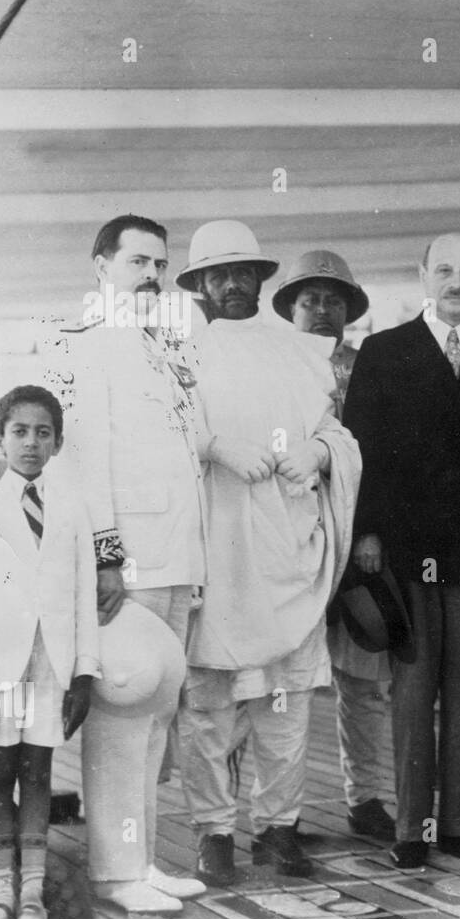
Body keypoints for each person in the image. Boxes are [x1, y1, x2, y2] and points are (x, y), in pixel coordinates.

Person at [342, 232, 460, 870]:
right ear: (421, 274)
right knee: (411, 690)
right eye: (445, 270)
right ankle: (411, 829)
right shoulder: (383, 351)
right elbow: (361, 448)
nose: (457, 282)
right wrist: (367, 532)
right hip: (406, 552)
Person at [174, 220, 361, 884]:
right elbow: (160, 439)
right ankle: (214, 834)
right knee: (211, 704)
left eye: (242, 271)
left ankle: (280, 830)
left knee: (286, 702)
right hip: (217, 550)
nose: (231, 283)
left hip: (287, 547)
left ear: (260, 278)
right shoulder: (179, 357)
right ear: (198, 284)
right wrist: (213, 446)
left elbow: (334, 431)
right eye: (217, 274)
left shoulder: (301, 351)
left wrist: (320, 449)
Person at [45, 214, 208, 914]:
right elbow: (81, 463)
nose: (151, 275)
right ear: (100, 266)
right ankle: (114, 871)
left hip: (175, 556)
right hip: (129, 561)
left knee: (155, 711)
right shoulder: (86, 347)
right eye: (138, 260)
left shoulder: (157, 347)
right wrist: (106, 557)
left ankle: (139, 860)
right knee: (121, 704)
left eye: (159, 264)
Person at [0, 385, 100, 919]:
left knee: (38, 773)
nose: (31, 443)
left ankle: (32, 891)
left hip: (51, 666)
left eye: (43, 433)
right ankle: (0, 893)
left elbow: (85, 595)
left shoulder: (73, 509)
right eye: (19, 432)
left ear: (57, 443)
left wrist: (84, 672)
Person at [272, 249, 394, 840]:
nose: (322, 310)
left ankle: (366, 797)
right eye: (310, 299)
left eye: (333, 300)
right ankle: (277, 816)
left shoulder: (372, 369)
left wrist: (368, 528)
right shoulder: (268, 366)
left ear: (349, 311)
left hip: (357, 541)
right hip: (287, 540)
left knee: (363, 678)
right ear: (290, 308)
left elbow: (382, 458)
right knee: (275, 683)